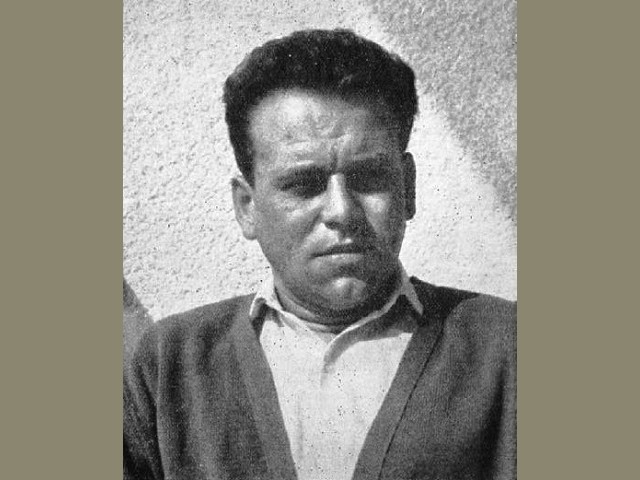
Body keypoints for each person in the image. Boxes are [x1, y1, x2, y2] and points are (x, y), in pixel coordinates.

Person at [123, 29, 516, 480]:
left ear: (407, 187)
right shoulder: (169, 365)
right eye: (303, 185)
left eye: (368, 177)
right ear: (247, 207)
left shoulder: (509, 347)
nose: (341, 211)